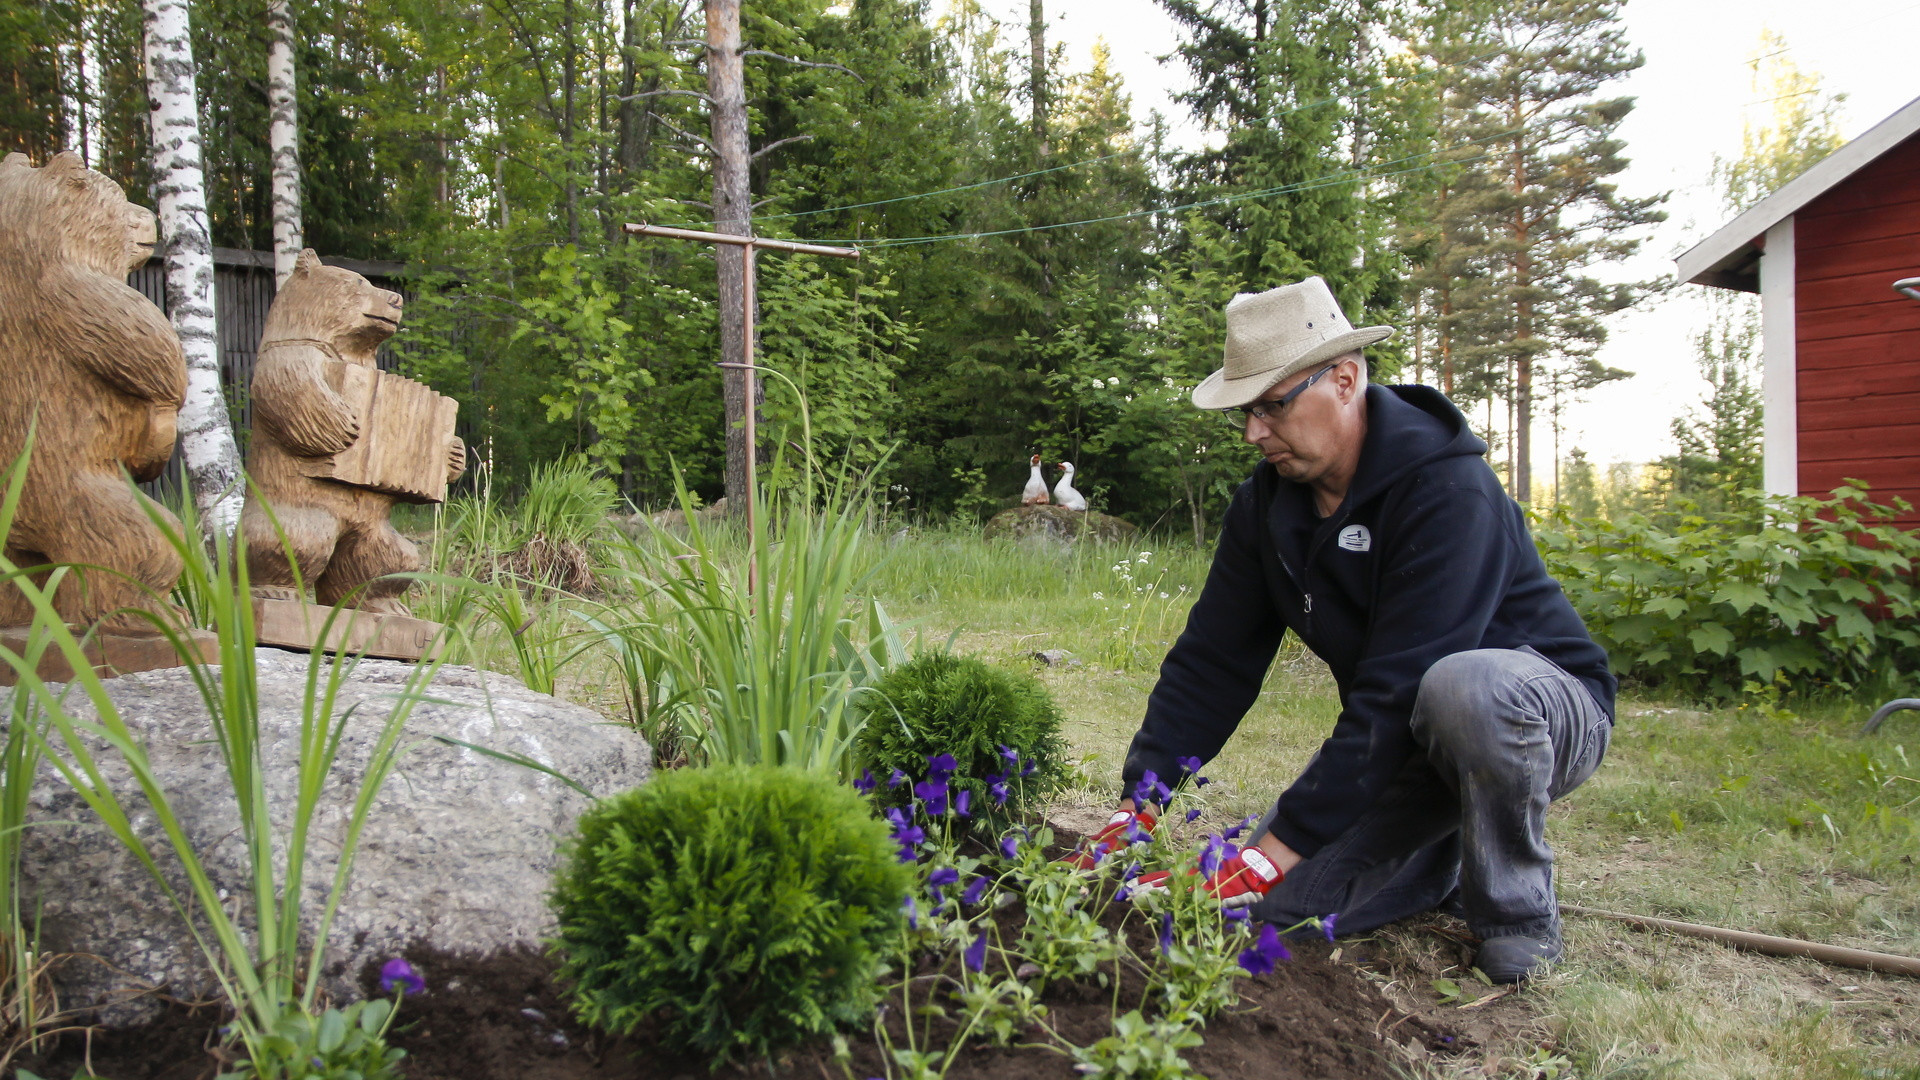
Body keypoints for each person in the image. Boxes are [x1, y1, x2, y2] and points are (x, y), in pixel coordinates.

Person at [1068, 276, 1616, 983]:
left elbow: (1396, 689)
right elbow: (1213, 661)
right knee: (1270, 907)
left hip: (1538, 712)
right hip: (1408, 738)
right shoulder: (1265, 509)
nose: (1254, 432)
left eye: (1272, 405)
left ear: (1346, 379)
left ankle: (1517, 913)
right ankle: (1436, 858)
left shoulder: (1448, 490)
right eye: (1246, 411)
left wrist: (1276, 846)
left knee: (1466, 687)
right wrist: (1139, 806)